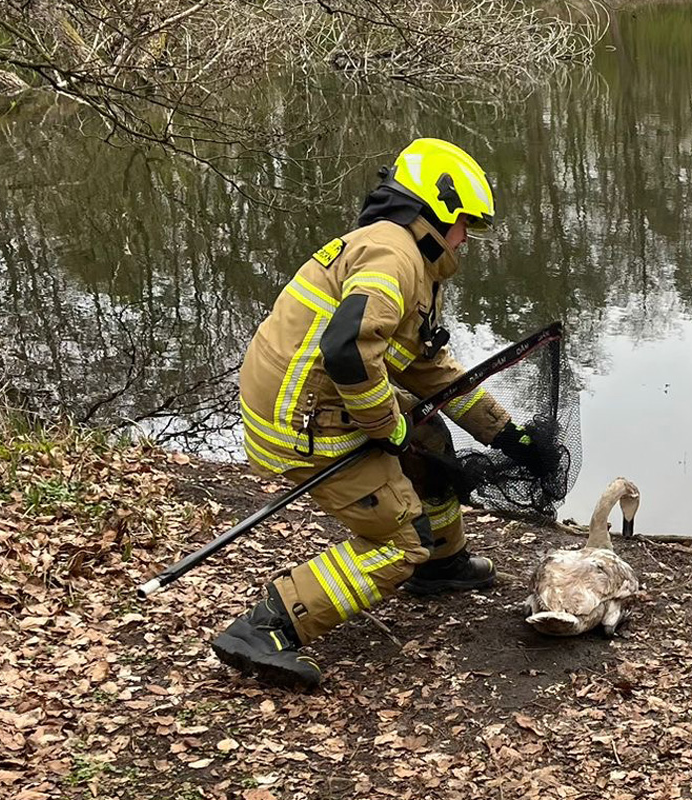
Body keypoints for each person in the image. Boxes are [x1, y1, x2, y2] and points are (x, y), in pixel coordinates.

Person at [212, 138, 547, 690]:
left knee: (430, 439)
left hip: (317, 404)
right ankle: (266, 627)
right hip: (302, 424)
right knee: (398, 542)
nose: (466, 238)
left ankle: (444, 565)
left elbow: (429, 370)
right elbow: (348, 350)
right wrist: (385, 426)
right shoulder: (393, 255)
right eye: (464, 223)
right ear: (434, 211)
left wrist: (507, 435)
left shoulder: (407, 258)